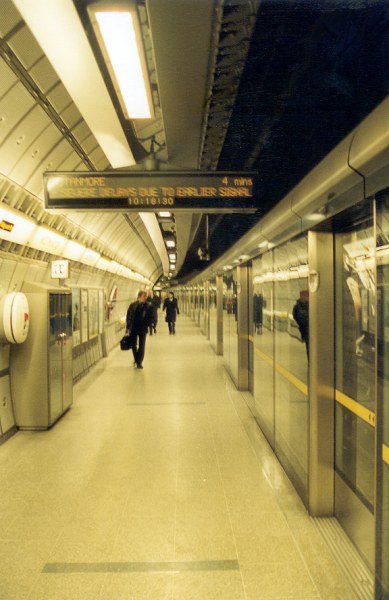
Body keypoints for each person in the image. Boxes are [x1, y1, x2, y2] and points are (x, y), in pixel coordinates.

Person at [126, 290, 153, 368]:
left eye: (146, 296)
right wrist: (128, 327)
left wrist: (147, 324)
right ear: (140, 296)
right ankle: (137, 359)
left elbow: (150, 317)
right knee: (134, 345)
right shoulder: (132, 305)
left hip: (142, 328)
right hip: (133, 328)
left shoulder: (148, 306)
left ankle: (139, 362)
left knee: (142, 346)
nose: (145, 298)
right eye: (144, 296)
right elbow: (129, 316)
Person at [293, 290, 309, 358]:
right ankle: (311, 359)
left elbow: (295, 316)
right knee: (309, 344)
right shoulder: (308, 304)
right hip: (306, 328)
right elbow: (295, 315)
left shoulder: (297, 305)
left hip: (304, 328)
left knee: (308, 344)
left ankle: (310, 359)